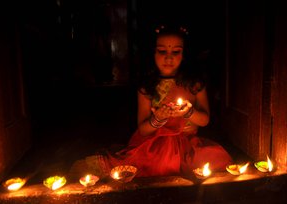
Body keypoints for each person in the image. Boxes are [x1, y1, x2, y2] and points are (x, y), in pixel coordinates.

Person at [70, 24, 232, 179]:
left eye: (176, 51)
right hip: (154, 145)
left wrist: (188, 112)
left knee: (217, 158)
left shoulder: (195, 85)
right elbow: (143, 129)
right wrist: (158, 119)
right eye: (162, 51)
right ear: (152, 53)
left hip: (187, 145)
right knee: (154, 165)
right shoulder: (147, 88)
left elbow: (204, 120)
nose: (168, 57)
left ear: (184, 55)